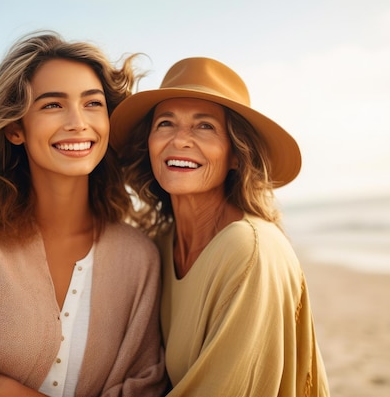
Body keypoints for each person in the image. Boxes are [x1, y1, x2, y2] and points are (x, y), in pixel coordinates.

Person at [0, 31, 167, 397]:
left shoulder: (139, 258)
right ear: (15, 128)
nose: (77, 122)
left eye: (93, 104)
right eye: (53, 105)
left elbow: (146, 387)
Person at [109, 57, 329, 396]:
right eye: (165, 123)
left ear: (237, 154)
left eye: (205, 126)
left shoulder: (250, 251)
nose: (180, 140)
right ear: (148, 143)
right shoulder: (159, 244)